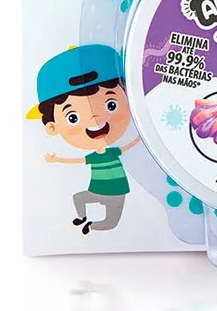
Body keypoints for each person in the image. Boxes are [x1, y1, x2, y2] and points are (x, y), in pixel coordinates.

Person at [28, 44, 140, 234]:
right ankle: (83, 218)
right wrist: (57, 159)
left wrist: (141, 138)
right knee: (83, 201)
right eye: (73, 117)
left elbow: (128, 146)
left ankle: (91, 224)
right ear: (52, 126)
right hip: (99, 189)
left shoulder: (112, 150)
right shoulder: (100, 154)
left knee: (110, 222)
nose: (95, 120)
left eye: (111, 105)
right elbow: (80, 160)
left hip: (117, 190)